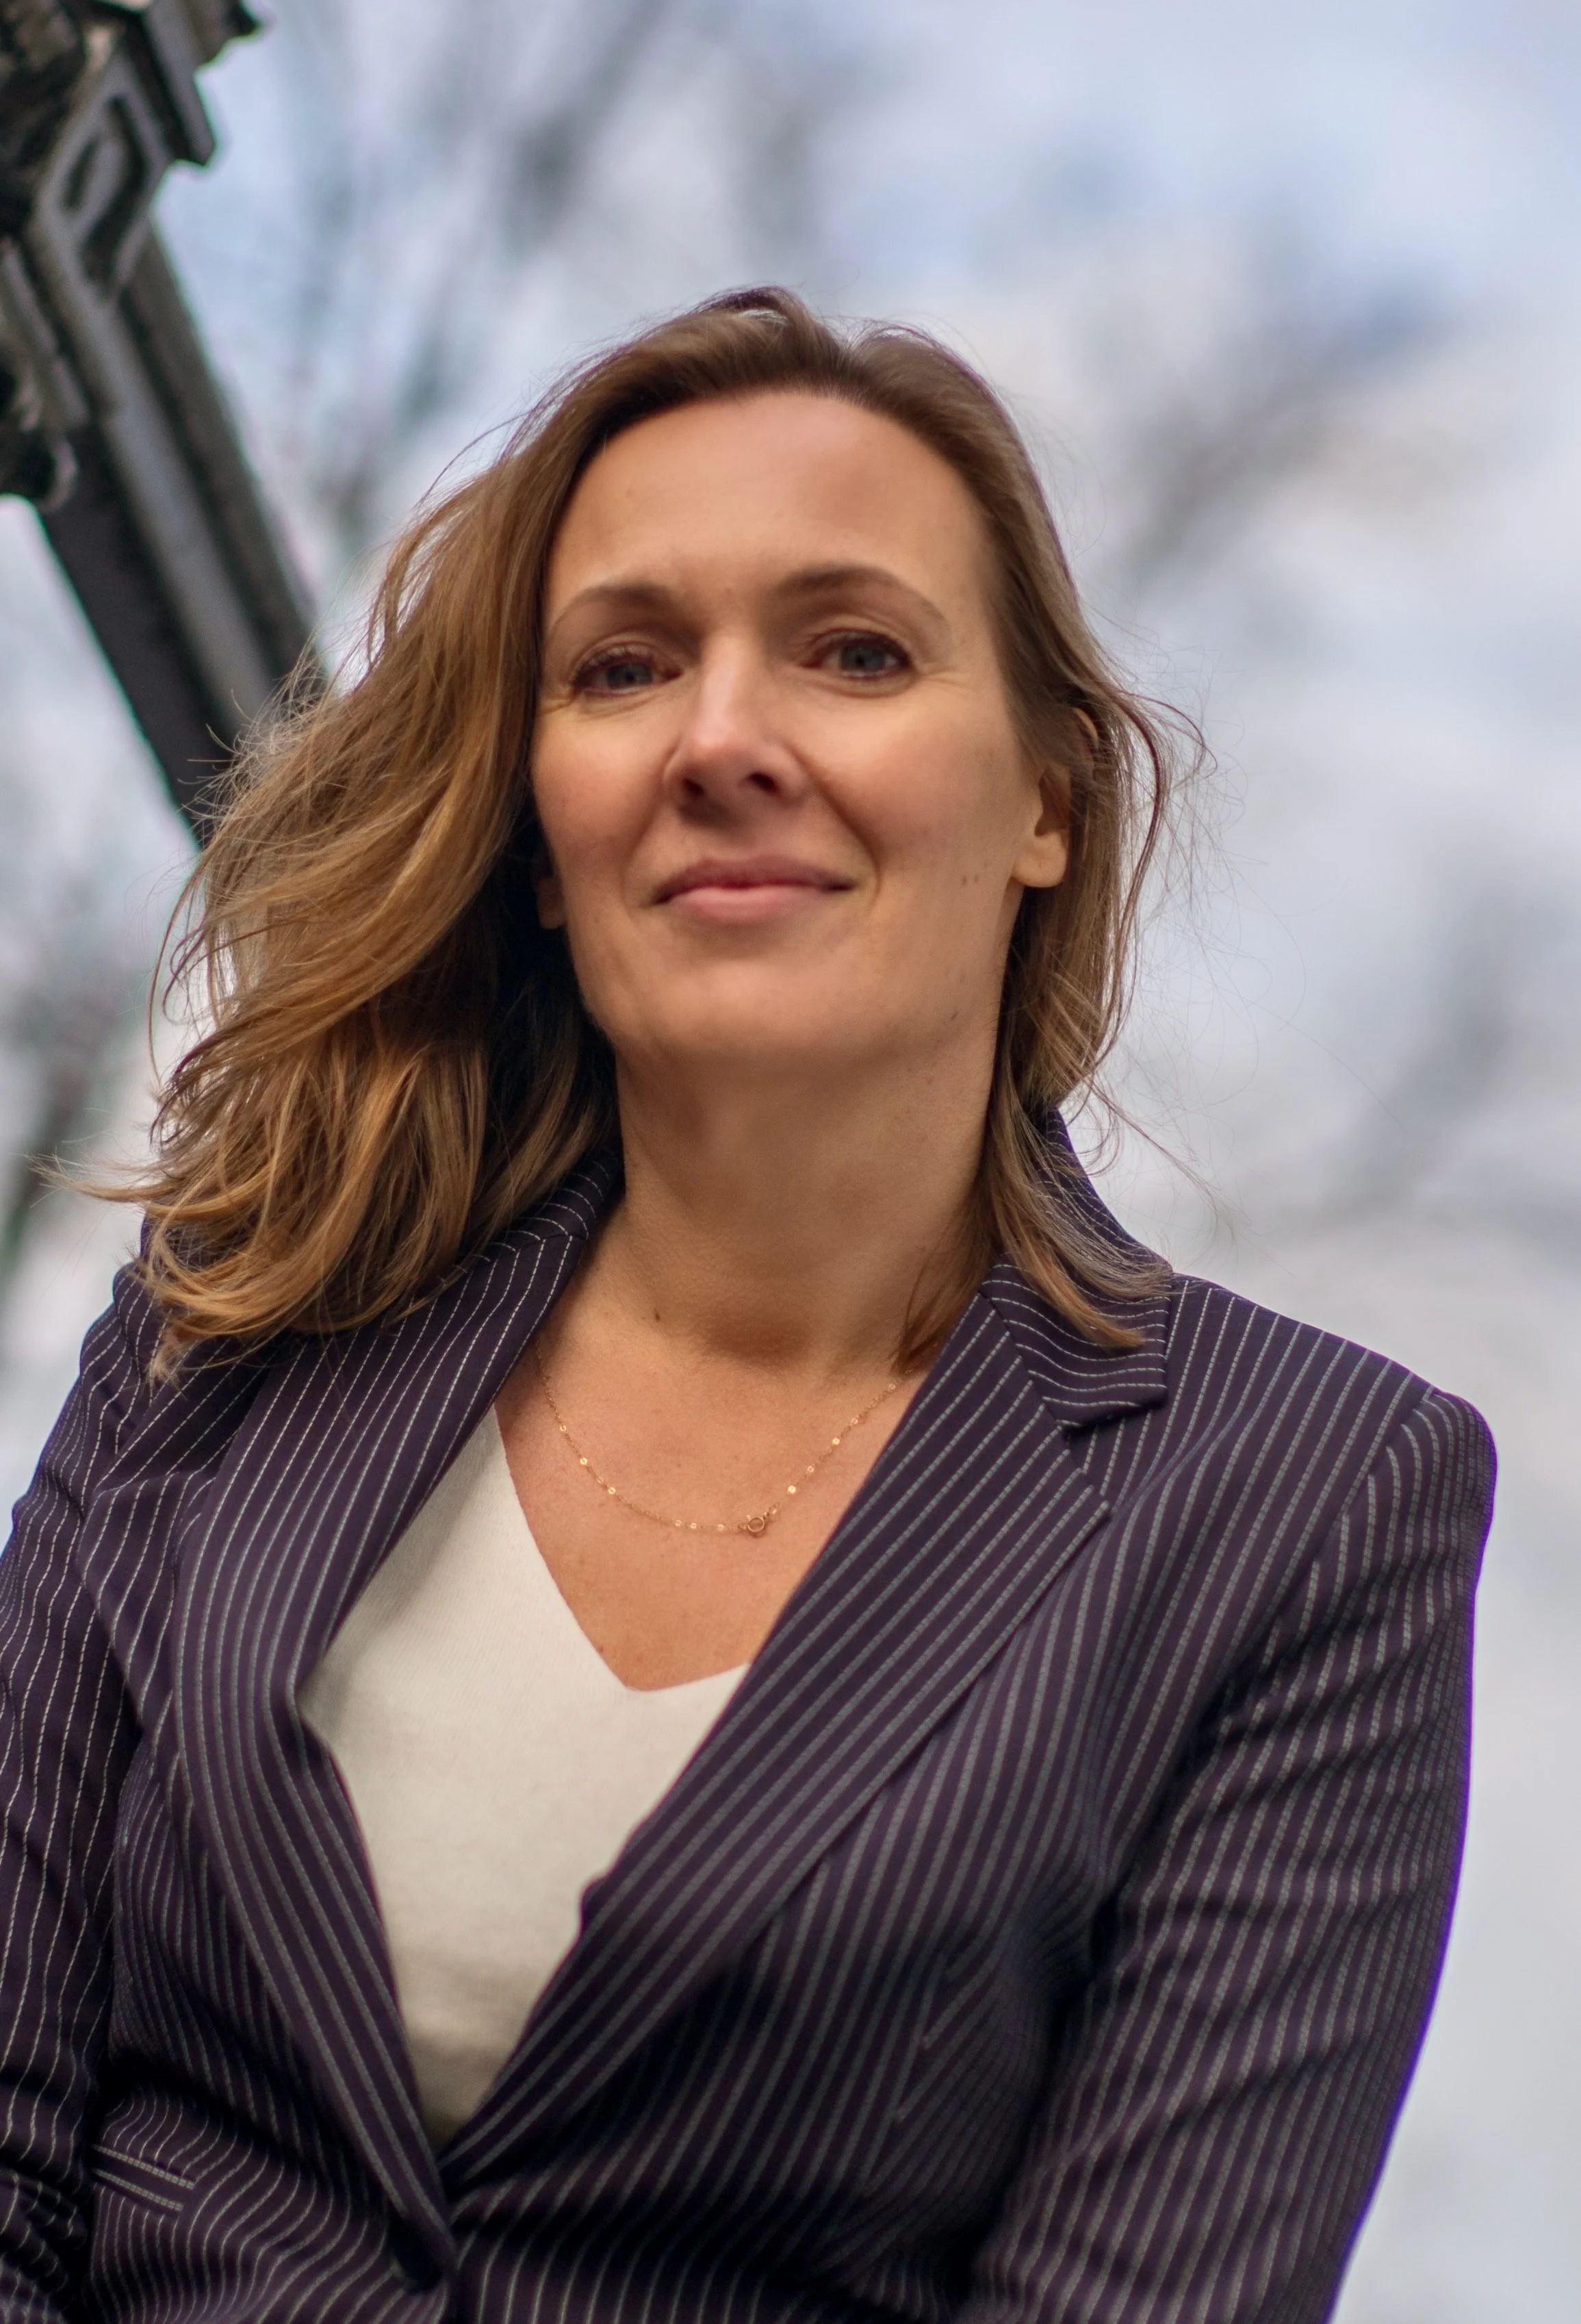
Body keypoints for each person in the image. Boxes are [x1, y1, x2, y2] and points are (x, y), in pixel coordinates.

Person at [0, 287, 1493, 2324]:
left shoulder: (1307, 1501)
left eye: (853, 650)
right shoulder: (237, 1315)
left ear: (1046, 801)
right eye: (621, 668)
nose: (720, 741)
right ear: (539, 832)